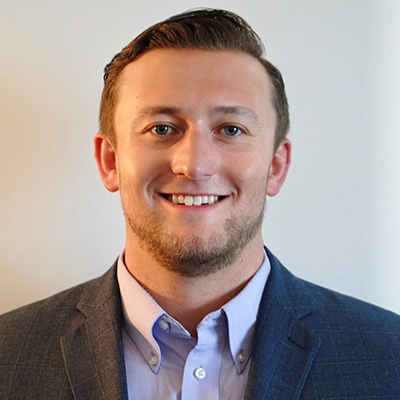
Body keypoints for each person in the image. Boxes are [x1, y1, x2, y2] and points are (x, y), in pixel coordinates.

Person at [0, 8, 399, 400]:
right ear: (110, 162)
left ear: (276, 166)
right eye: (161, 128)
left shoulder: (390, 356)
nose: (194, 164)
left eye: (230, 129)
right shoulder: (8, 355)